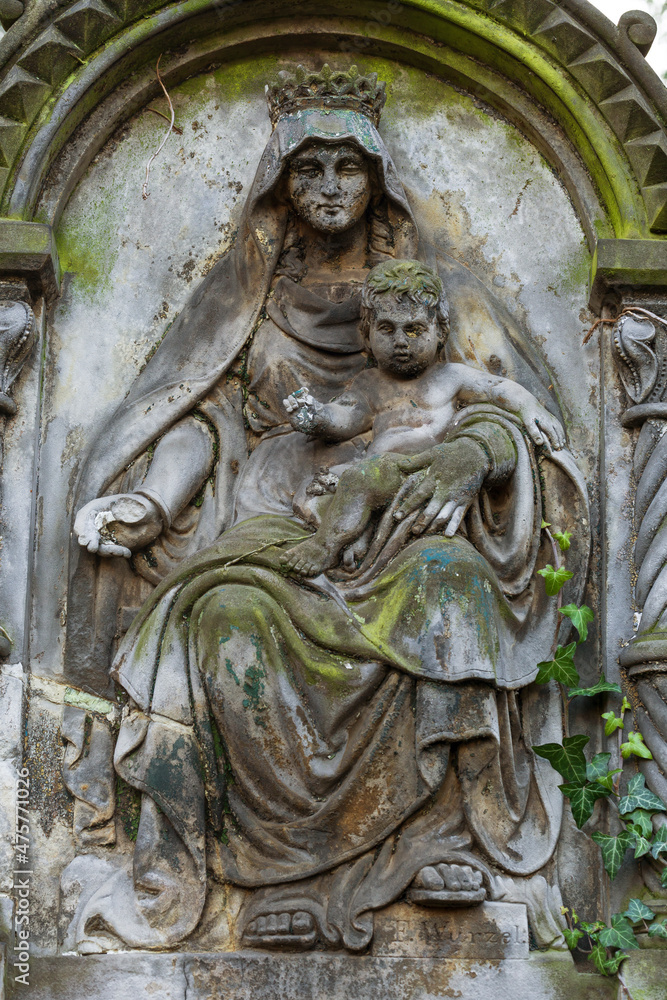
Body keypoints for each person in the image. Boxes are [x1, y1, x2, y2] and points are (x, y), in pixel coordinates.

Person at [64, 66, 589, 954]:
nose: (330, 188)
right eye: (308, 170)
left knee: (449, 581)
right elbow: (199, 413)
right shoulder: (247, 299)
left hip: (408, 524)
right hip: (281, 512)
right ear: (280, 182)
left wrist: (469, 455)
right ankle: (271, 867)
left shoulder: (428, 292)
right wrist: (153, 500)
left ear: (376, 177)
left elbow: (505, 407)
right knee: (225, 613)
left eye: (348, 167)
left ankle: (435, 838)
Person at [281, 259, 565, 576]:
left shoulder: (449, 376)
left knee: (358, 480)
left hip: (427, 471)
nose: (400, 341)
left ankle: (331, 545)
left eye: (414, 329)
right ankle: (335, 542)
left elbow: (495, 387)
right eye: (387, 329)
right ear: (367, 332)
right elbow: (346, 417)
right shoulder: (371, 384)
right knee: (353, 480)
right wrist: (316, 416)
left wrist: (528, 406)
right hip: (381, 473)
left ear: (439, 330)